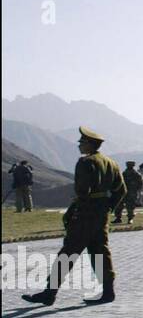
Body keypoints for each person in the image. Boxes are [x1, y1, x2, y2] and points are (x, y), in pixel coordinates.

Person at [22, 127, 126, 306]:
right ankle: (108, 292)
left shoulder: (86, 162)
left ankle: (49, 293)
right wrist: (108, 207)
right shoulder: (111, 162)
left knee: (68, 253)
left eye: (81, 142)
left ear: (89, 144)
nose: (79, 145)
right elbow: (121, 190)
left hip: (85, 214)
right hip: (101, 215)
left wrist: (74, 212)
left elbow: (82, 192)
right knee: (100, 252)